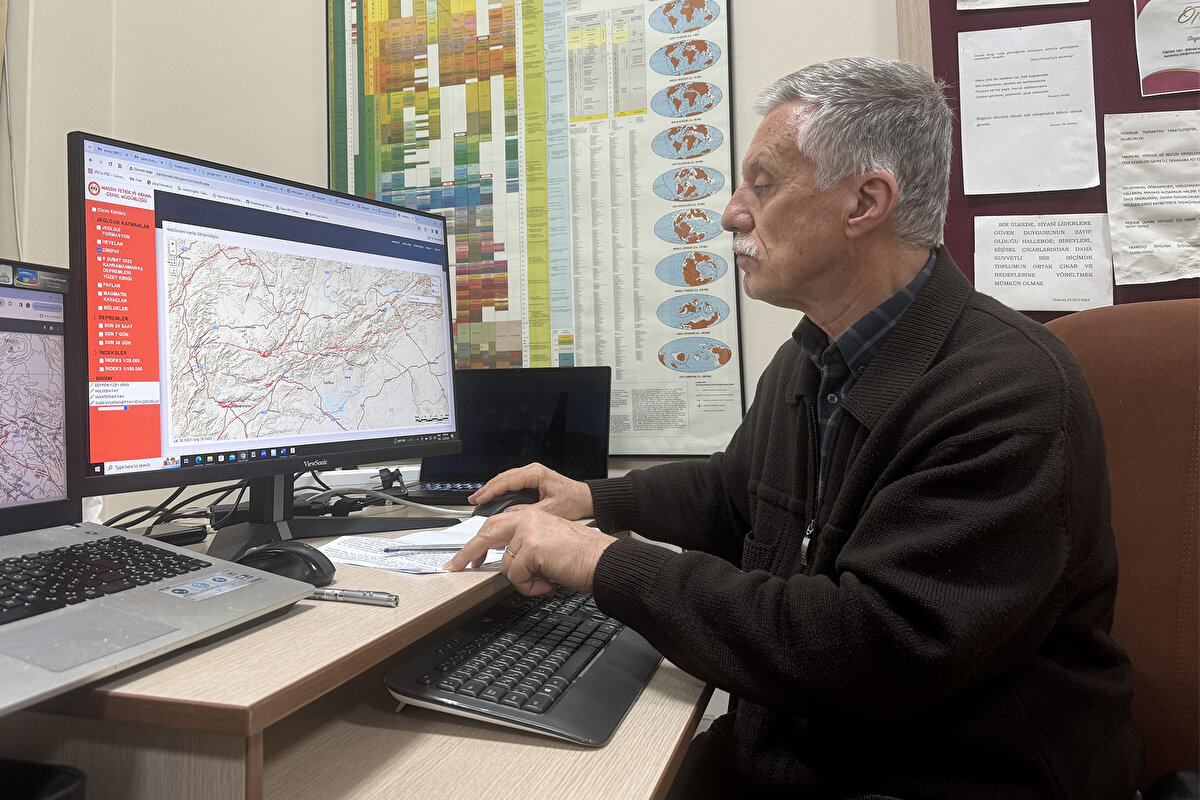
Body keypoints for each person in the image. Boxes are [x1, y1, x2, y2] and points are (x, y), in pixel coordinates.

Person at [445, 57, 1143, 799]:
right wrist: (593, 500)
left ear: (864, 202)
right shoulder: (811, 357)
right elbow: (735, 492)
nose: (730, 213)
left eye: (764, 183)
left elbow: (861, 647)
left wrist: (601, 563)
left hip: (944, 776)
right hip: (799, 749)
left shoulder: (1007, 390)